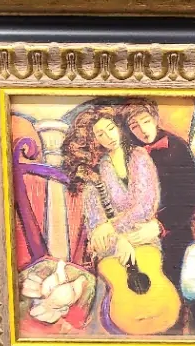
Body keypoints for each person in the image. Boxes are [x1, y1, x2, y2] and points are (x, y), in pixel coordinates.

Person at [62, 106, 163, 268]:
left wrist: (111, 226)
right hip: (111, 247)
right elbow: (95, 225)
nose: (109, 137)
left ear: (118, 127)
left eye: (110, 128)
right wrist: (118, 242)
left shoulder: (139, 156)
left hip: (143, 238)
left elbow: (145, 207)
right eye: (100, 134)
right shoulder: (95, 171)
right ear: (95, 139)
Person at [122, 99, 195, 290]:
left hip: (172, 232)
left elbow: (191, 199)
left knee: (169, 285)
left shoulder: (177, 148)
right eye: (134, 126)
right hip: (133, 230)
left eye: (146, 121)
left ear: (155, 118)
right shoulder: (126, 151)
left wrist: (159, 226)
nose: (143, 130)